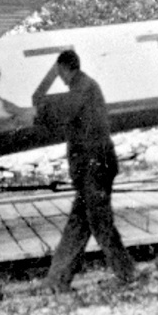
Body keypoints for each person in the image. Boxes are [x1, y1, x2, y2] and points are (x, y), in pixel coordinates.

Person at [32, 49, 138, 291]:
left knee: (99, 223)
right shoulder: (84, 87)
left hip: (94, 169)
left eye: (59, 73)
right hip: (93, 168)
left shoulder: (83, 88)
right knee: (80, 223)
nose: (59, 78)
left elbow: (62, 110)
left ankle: (127, 274)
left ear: (66, 69)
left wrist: (36, 110)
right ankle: (57, 280)